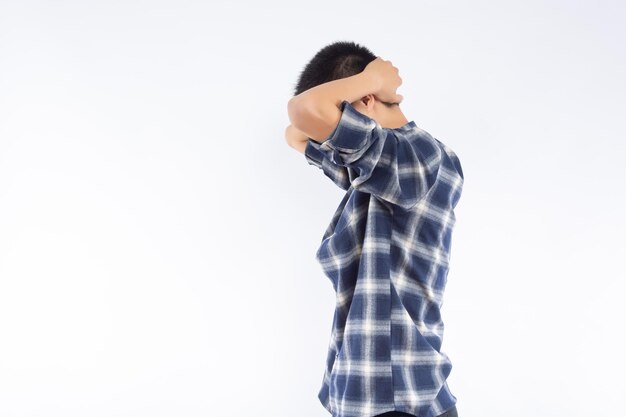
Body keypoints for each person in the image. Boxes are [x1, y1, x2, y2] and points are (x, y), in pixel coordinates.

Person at [285, 41, 464, 417]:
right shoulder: (380, 169)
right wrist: (364, 86)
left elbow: (304, 113)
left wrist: (371, 77)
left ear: (362, 100)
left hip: (393, 398)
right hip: (393, 393)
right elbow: (296, 133)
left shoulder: (413, 158)